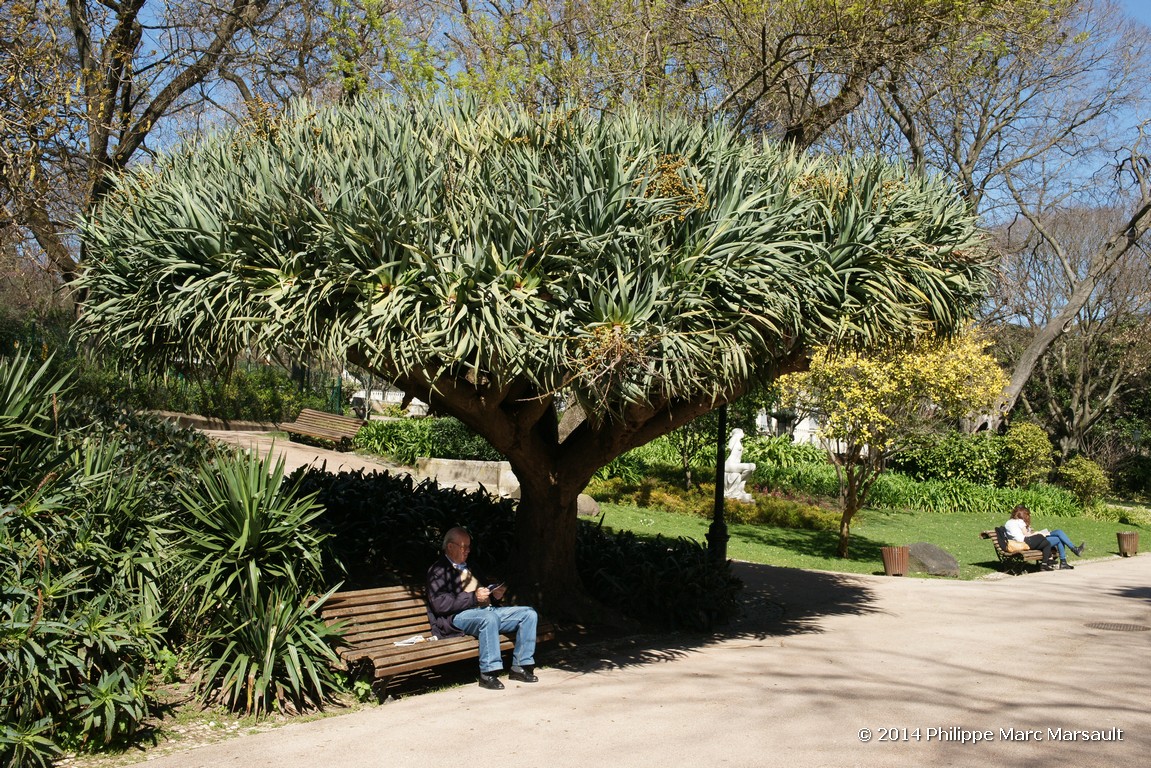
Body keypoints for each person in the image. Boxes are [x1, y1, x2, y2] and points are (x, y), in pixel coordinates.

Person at [426, 527, 539, 690]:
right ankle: (488, 673)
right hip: (458, 617)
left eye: (469, 547)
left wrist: (494, 595)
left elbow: (484, 591)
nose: (467, 551)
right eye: (464, 547)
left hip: (487, 611)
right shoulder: (438, 571)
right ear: (450, 547)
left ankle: (520, 667)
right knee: (489, 619)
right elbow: (439, 603)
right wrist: (473, 597)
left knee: (528, 614)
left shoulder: (471, 566)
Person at [1004, 504, 1085, 571]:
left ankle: (1068, 557)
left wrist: (1032, 530)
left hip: (1027, 541)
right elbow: (1026, 535)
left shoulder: (1009, 523)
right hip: (1030, 542)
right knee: (1058, 537)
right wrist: (1037, 533)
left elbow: (1023, 534)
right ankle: (1069, 556)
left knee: (1058, 533)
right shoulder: (1020, 522)